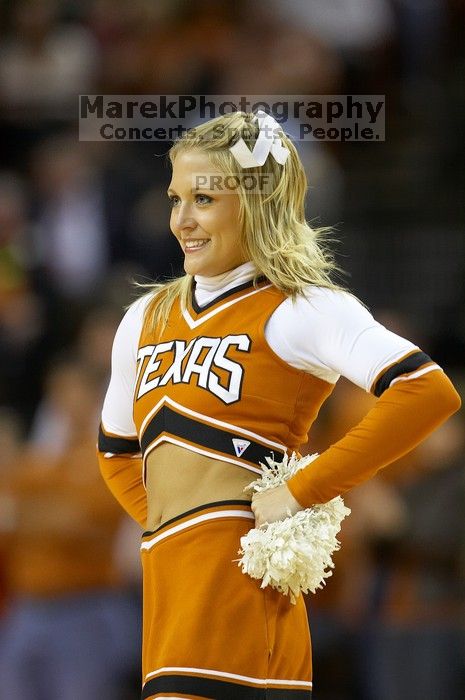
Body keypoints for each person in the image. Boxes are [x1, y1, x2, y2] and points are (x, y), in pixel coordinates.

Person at [97, 110, 461, 700]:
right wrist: (173, 529)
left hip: (245, 601)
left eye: (204, 199)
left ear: (256, 203)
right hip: (168, 598)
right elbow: (115, 451)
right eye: (175, 199)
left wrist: (300, 490)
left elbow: (427, 391)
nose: (181, 221)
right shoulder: (144, 318)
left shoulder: (302, 306)